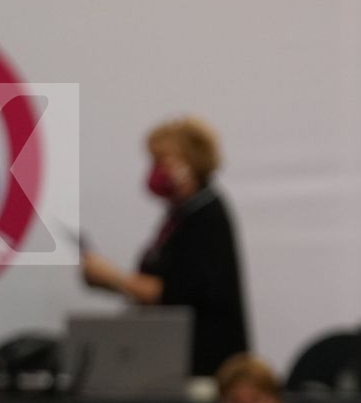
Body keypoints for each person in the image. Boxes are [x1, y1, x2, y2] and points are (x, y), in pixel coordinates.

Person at [80, 116, 250, 377]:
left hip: (203, 363)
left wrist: (113, 277)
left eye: (161, 162)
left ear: (189, 165)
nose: (155, 171)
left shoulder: (207, 217)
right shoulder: (180, 216)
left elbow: (175, 293)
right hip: (171, 354)